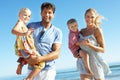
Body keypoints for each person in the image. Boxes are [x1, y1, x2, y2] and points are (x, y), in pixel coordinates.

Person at [16, 2, 62, 80]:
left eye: (50, 12)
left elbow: (56, 53)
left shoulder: (57, 32)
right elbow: (23, 45)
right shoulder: (31, 26)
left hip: (48, 70)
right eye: (45, 12)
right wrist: (20, 64)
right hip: (31, 69)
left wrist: (39, 59)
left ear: (53, 15)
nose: (47, 15)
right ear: (41, 13)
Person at [74, 8, 111, 80]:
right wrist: (75, 53)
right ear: (84, 17)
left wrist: (90, 45)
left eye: (92, 17)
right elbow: (76, 45)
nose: (90, 19)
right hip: (84, 62)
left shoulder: (97, 30)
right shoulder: (81, 31)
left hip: (95, 61)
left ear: (95, 18)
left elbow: (103, 49)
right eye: (87, 16)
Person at [11, 8, 45, 80]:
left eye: (29, 16)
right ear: (19, 15)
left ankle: (21, 65)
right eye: (25, 15)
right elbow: (13, 31)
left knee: (34, 61)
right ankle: (28, 78)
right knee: (41, 63)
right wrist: (25, 33)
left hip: (25, 49)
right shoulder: (20, 22)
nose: (27, 17)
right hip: (25, 49)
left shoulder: (24, 26)